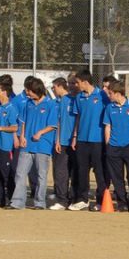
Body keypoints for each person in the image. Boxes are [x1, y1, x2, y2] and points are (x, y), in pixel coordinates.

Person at [10, 78, 57, 210]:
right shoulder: (28, 103)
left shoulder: (50, 104)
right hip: (27, 145)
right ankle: (17, 202)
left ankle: (40, 202)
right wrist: (22, 136)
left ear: (36, 90)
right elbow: (23, 121)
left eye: (29, 90)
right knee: (20, 173)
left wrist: (40, 133)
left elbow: (53, 125)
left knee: (41, 175)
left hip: (43, 146)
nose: (27, 92)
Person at [70, 69, 108, 211]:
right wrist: (75, 137)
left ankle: (101, 201)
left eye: (78, 82)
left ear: (85, 82)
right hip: (82, 139)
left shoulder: (102, 95)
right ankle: (82, 199)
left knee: (99, 171)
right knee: (82, 170)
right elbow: (78, 118)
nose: (76, 85)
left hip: (98, 140)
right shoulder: (79, 97)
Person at [104, 79, 129, 212]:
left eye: (110, 93)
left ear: (117, 93)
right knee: (117, 177)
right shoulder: (109, 108)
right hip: (113, 147)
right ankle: (122, 203)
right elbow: (107, 126)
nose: (108, 96)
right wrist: (108, 144)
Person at [0, 82, 18, 208]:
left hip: (5, 146)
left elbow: (14, 127)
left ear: (4, 92)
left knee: (7, 174)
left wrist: (0, 128)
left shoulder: (11, 108)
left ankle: (12, 200)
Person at [49, 77, 77, 210]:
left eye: (74, 83)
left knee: (76, 172)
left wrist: (76, 137)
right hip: (64, 141)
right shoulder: (63, 100)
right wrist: (58, 140)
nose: (71, 86)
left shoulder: (80, 99)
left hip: (76, 142)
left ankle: (75, 199)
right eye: (70, 83)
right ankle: (62, 200)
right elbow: (59, 121)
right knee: (61, 172)